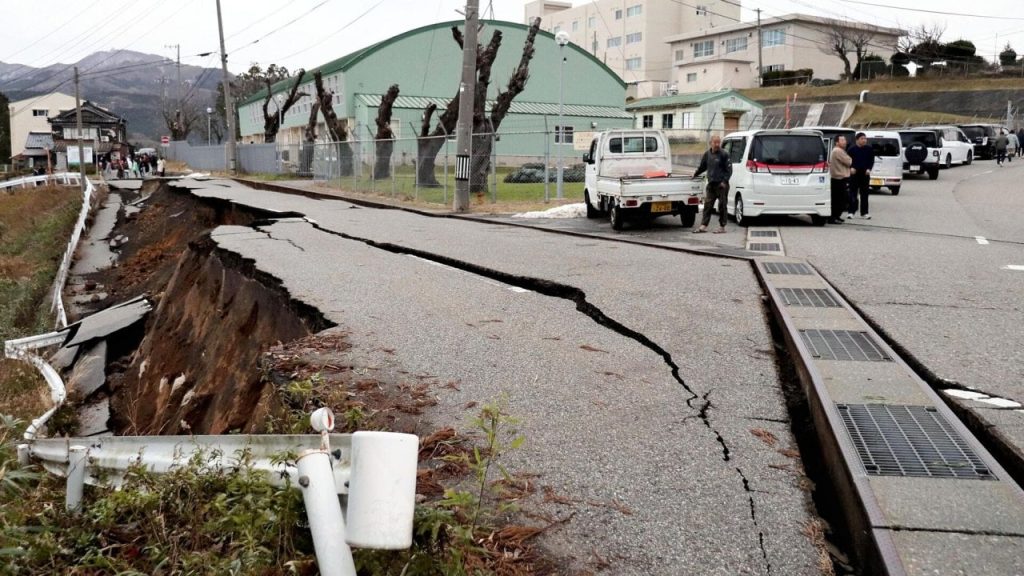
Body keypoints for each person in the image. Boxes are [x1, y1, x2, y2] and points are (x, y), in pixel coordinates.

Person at [692, 134, 732, 234]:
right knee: (707, 205)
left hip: (721, 185)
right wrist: (695, 174)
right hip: (711, 185)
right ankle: (703, 225)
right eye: (715, 142)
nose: (717, 144)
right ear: (711, 143)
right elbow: (703, 167)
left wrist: (724, 181)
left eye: (719, 142)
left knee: (722, 205)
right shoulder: (707, 154)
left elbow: (729, 170)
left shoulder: (724, 154)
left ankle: (722, 226)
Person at [847, 132, 875, 220]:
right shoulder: (851, 149)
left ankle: (865, 213)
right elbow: (847, 160)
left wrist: (869, 169)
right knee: (853, 193)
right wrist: (850, 168)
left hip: (865, 174)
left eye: (865, 139)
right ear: (857, 140)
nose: (864, 140)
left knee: (865, 194)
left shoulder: (869, 149)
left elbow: (871, 160)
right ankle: (851, 212)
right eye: (862, 138)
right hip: (854, 174)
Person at [828, 135, 852, 224]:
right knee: (839, 199)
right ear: (837, 142)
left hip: (839, 178)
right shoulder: (838, 151)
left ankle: (836, 216)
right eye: (842, 140)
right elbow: (849, 161)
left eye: (845, 140)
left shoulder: (839, 150)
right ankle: (833, 217)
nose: (844, 141)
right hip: (839, 178)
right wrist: (850, 159)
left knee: (840, 199)